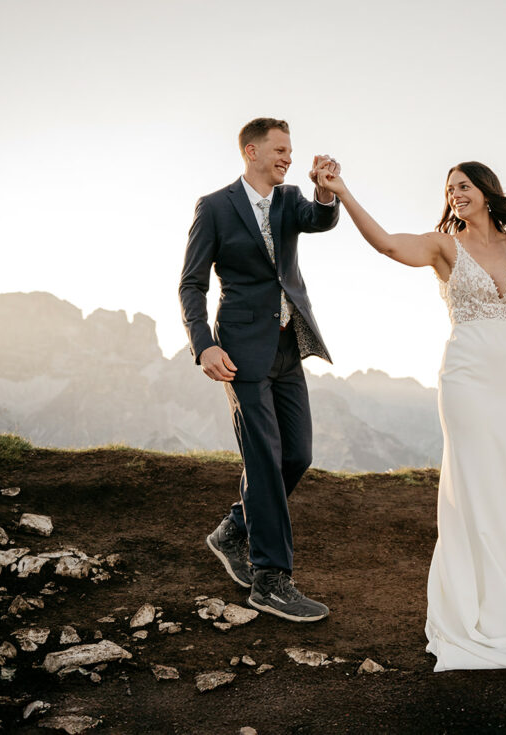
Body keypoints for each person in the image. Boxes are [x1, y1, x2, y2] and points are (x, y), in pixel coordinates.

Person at [316, 161, 506, 677]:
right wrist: (342, 191)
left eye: (464, 186)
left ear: (486, 192)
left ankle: (503, 594)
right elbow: (390, 244)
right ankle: (472, 609)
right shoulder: (444, 246)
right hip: (466, 380)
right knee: (477, 486)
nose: (456, 194)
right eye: (449, 189)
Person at [179, 117, 340, 622]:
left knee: (298, 454)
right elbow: (192, 284)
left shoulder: (291, 198)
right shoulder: (215, 207)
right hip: (240, 352)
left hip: (288, 347)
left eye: (290, 150)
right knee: (266, 459)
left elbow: (321, 220)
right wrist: (202, 345)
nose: (288, 157)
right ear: (251, 151)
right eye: (280, 149)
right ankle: (270, 580)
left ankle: (233, 529)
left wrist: (326, 192)